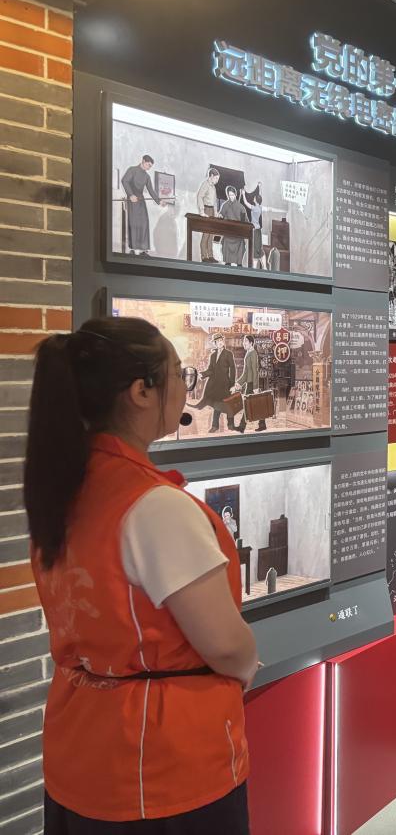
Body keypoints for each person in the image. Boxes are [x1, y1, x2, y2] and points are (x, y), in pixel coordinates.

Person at [24, 318, 256, 831]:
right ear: (141, 391)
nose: (185, 387)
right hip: (163, 768)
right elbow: (225, 644)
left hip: (79, 748)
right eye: (177, 374)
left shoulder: (64, 488)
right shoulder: (154, 506)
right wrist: (246, 664)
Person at [196, 333, 236, 433]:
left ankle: (231, 425)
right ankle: (215, 426)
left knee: (228, 404)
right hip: (216, 385)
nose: (220, 342)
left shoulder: (228, 353)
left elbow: (233, 369)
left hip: (226, 384)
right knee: (217, 405)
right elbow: (210, 370)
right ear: (214, 343)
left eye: (221, 340)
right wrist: (202, 374)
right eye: (217, 341)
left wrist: (232, 384)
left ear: (223, 341)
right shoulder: (213, 355)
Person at [120, 155, 158, 256]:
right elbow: (124, 181)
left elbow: (151, 190)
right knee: (134, 223)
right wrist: (131, 195)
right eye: (148, 165)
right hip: (132, 200)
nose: (149, 168)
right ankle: (134, 248)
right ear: (143, 161)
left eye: (150, 166)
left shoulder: (147, 176)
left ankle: (143, 250)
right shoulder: (132, 170)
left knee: (144, 222)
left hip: (141, 201)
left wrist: (159, 201)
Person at [232, 334, 267, 433]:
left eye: (246, 341)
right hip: (249, 383)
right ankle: (261, 424)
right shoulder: (248, 353)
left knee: (249, 404)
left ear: (251, 343)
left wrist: (256, 387)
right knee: (251, 404)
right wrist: (239, 383)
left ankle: (243, 427)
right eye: (243, 341)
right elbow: (246, 372)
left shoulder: (253, 354)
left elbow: (255, 371)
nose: (244, 343)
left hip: (252, 384)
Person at [218, 186, 248, 267]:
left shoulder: (241, 207)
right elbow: (221, 214)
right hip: (228, 231)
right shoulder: (225, 205)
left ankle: (239, 263)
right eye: (229, 195)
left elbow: (245, 221)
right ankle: (228, 262)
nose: (231, 197)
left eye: (232, 195)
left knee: (241, 243)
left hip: (238, 233)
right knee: (225, 240)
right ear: (227, 195)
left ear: (235, 194)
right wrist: (220, 215)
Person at [195, 168, 221, 263]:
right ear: (212, 176)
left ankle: (210, 256)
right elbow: (199, 197)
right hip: (206, 210)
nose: (217, 181)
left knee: (211, 235)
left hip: (212, 211)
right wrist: (202, 211)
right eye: (216, 178)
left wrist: (216, 213)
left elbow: (214, 202)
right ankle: (204, 256)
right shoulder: (205, 184)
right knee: (206, 234)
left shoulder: (213, 187)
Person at [242, 184, 265, 270]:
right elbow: (260, 195)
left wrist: (243, 194)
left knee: (256, 249)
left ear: (256, 200)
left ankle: (255, 268)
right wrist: (260, 187)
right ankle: (264, 267)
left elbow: (245, 203)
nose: (253, 198)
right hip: (258, 230)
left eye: (254, 198)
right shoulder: (260, 207)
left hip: (255, 230)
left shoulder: (254, 208)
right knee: (259, 248)